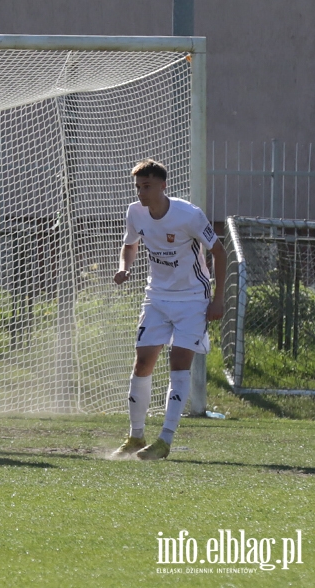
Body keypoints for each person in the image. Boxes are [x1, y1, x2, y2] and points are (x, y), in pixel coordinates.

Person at [111, 159, 226, 461]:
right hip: (157, 297)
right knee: (143, 361)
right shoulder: (135, 212)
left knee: (178, 363)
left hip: (192, 299)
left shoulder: (189, 215)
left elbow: (219, 252)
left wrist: (218, 298)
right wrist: (124, 267)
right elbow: (130, 244)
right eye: (138, 187)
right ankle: (136, 436)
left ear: (163, 186)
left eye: (146, 186)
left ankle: (165, 439)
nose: (141, 193)